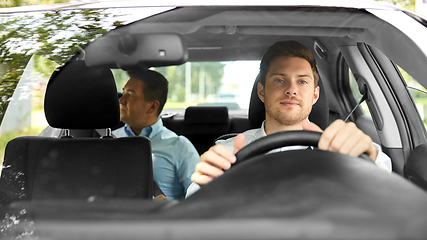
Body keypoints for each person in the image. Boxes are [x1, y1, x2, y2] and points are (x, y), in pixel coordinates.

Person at [188, 40, 391, 196]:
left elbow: (389, 194)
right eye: (279, 80)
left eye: (302, 82)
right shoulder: (226, 152)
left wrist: (370, 156)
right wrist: (208, 189)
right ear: (262, 92)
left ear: (315, 95)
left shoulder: (344, 150)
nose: (291, 90)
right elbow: (192, 214)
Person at [112, 70, 199, 201]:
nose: (121, 100)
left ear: (152, 106)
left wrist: (172, 208)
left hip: (161, 219)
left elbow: (200, 198)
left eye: (130, 95)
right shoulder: (109, 141)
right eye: (123, 93)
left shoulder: (179, 146)